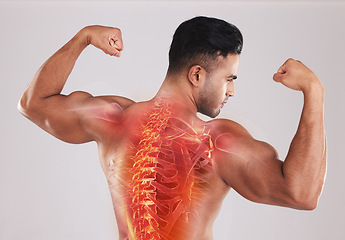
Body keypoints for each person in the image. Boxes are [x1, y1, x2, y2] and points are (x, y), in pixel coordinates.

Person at [18, 16, 327, 240]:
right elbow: (301, 193)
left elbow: (34, 103)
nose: (231, 91)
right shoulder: (217, 143)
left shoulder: (113, 120)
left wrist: (84, 37)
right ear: (196, 74)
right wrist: (314, 92)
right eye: (229, 79)